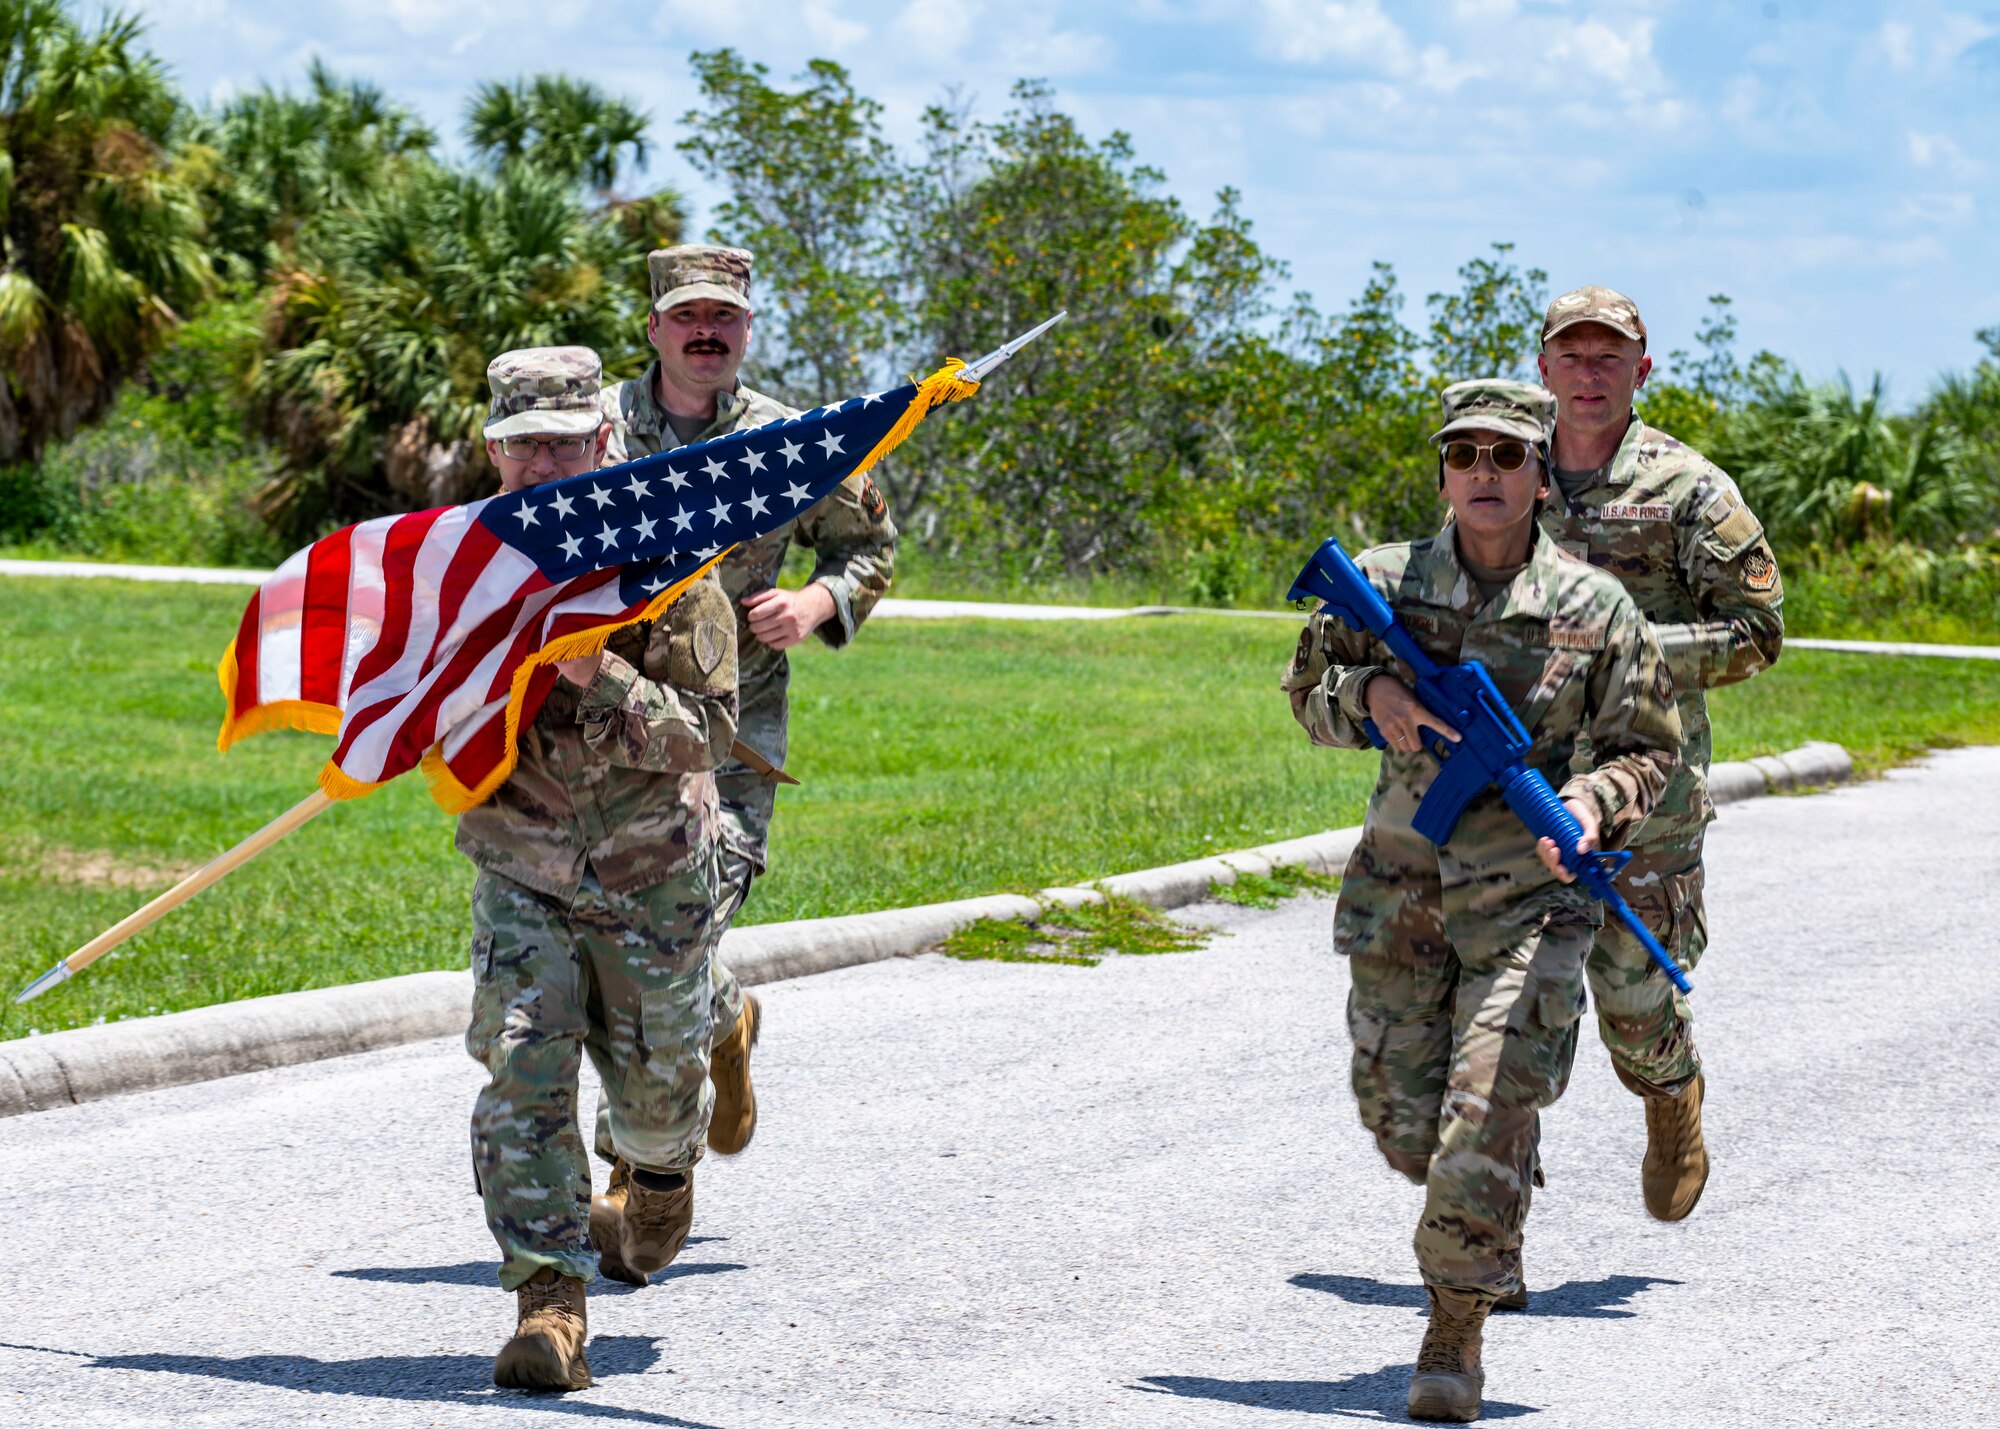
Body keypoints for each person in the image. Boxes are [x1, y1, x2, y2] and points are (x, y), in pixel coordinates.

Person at [1282, 379, 1683, 1422]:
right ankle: (1495, 1184)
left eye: (1505, 457)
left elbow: (1649, 748)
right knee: (1407, 1129)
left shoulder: (1594, 610)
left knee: (1476, 1116)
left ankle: (1451, 1331)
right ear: (1442, 471)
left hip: (1531, 902)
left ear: (1540, 474)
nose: (1482, 474)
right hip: (1401, 896)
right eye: (1462, 455)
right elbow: (1304, 699)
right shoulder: (1380, 583)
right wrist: (1368, 697)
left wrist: (1592, 802)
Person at [457, 346, 739, 1390]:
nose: (544, 463)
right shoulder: (461, 563)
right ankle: (549, 1303)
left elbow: (708, 731)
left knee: (660, 1095)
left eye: (565, 441)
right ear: (493, 448)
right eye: (524, 444)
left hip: (651, 872)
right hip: (520, 861)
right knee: (522, 1073)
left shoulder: (669, 557)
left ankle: (661, 1171)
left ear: (603, 442)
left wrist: (597, 667)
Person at [596, 243, 897, 1168]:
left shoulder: (789, 441)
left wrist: (814, 604)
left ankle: (636, 1172)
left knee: (665, 948)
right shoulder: (597, 430)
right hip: (610, 730)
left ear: (746, 329)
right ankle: (729, 1022)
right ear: (653, 329)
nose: (705, 332)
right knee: (624, 949)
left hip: (733, 745)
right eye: (687, 316)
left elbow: (869, 547)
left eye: (722, 317)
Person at [1536, 286, 1785, 1223]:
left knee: (1633, 999)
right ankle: (1488, 1222)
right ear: (1546, 366)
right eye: (1573, 355)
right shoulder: (1506, 469)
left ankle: (1670, 1094)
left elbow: (1758, 630)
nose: (1589, 374)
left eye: (1610, 358)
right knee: (1510, 1003)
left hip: (1651, 788)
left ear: (1641, 371)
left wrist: (1628, 649)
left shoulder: (1689, 489)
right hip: (1524, 781)